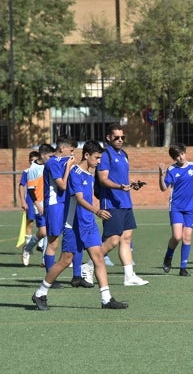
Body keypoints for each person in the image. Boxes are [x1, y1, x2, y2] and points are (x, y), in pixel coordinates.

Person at [31, 140, 128, 310]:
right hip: (74, 225)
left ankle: (106, 299)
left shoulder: (90, 173)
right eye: (97, 158)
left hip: (88, 224)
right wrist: (97, 211)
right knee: (64, 260)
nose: (99, 162)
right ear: (87, 155)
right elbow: (80, 199)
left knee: (98, 258)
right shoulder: (75, 173)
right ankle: (40, 292)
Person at [93, 123, 148, 286]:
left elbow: (121, 178)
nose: (120, 140)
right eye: (116, 137)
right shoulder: (105, 155)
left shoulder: (124, 154)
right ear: (108, 138)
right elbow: (103, 180)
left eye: (122, 137)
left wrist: (131, 184)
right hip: (111, 202)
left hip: (125, 201)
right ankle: (89, 267)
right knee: (113, 240)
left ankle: (129, 276)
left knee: (127, 238)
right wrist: (119, 187)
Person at [42, 135, 91, 289]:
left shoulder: (67, 161)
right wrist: (70, 166)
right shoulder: (51, 163)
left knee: (76, 238)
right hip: (55, 205)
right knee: (53, 242)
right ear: (62, 148)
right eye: (70, 150)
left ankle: (77, 276)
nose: (72, 154)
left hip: (68, 205)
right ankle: (51, 278)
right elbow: (62, 185)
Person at [158, 143, 193, 277]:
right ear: (174, 158)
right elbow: (163, 188)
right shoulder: (172, 170)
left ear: (185, 152)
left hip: (190, 208)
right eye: (177, 156)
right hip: (176, 208)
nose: (181, 157)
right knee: (177, 236)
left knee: (187, 237)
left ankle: (183, 267)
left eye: (182, 154)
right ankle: (168, 256)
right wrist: (161, 176)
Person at [22, 144, 54, 269]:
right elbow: (30, 190)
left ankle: (45, 260)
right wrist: (37, 205)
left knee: (49, 232)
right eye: (50, 156)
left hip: (50, 201)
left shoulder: (49, 165)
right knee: (44, 231)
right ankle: (28, 247)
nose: (51, 158)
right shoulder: (33, 169)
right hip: (39, 203)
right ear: (43, 155)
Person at [17, 151, 40, 249]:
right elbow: (21, 186)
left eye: (35, 161)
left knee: (42, 223)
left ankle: (41, 244)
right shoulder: (26, 172)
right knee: (30, 222)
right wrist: (23, 201)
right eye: (31, 161)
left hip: (40, 200)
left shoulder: (42, 170)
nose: (33, 163)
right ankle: (28, 245)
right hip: (30, 200)